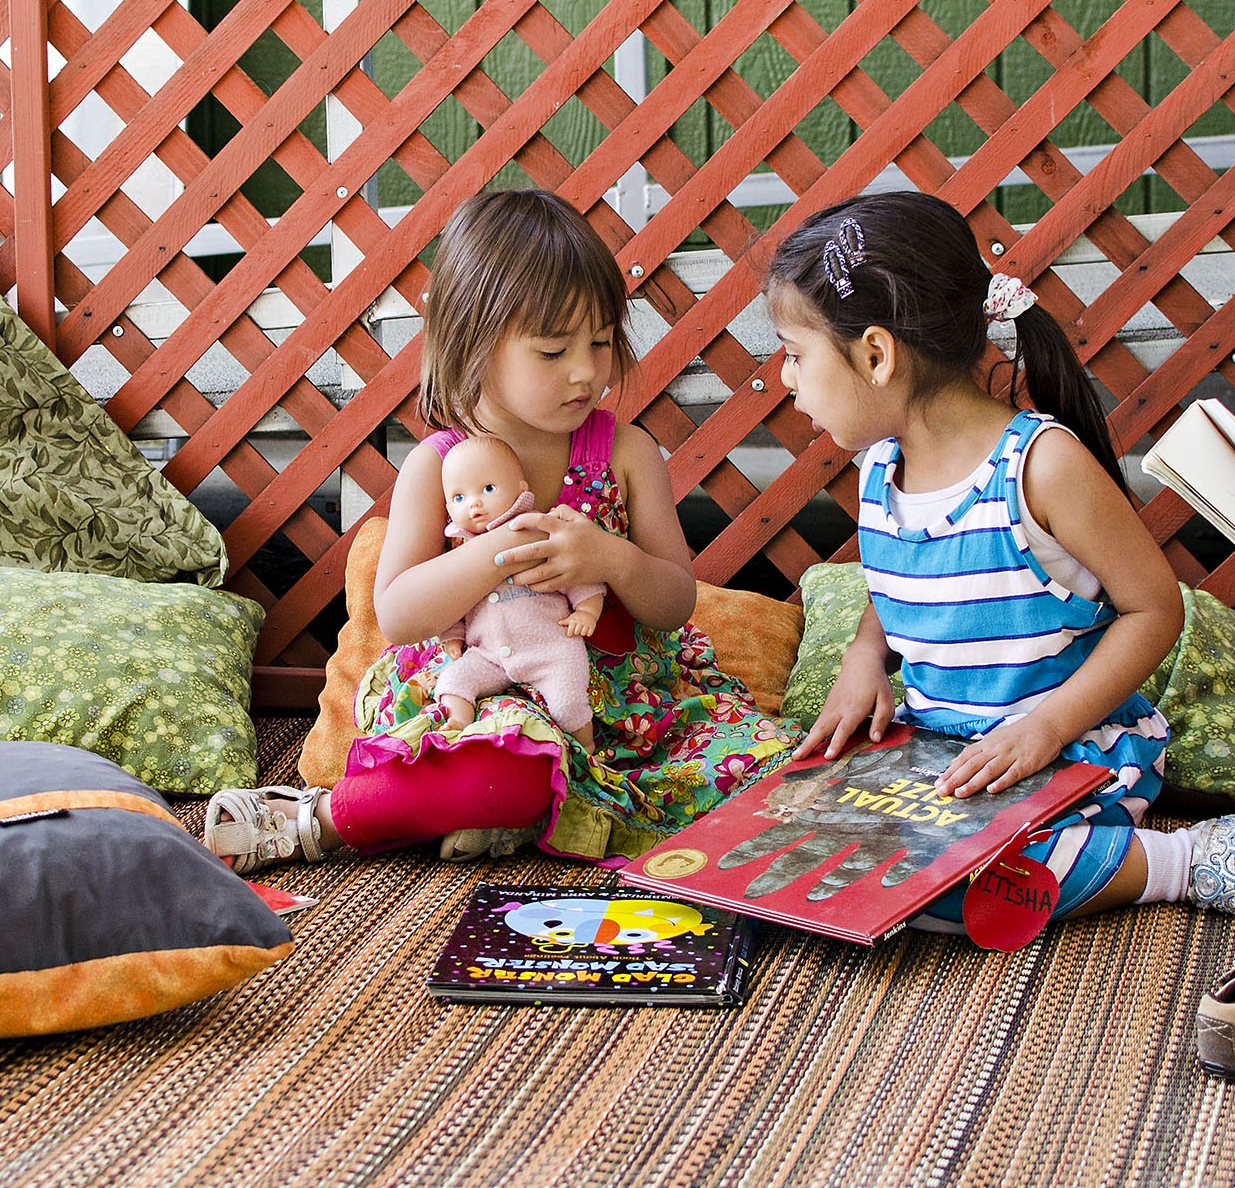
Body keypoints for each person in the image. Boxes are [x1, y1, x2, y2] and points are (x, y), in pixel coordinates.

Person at [766, 191, 1235, 938]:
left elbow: (1156, 608)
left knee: (965, 879)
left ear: (875, 354)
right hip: (941, 760)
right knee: (798, 828)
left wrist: (1046, 728)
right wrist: (866, 654)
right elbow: (899, 584)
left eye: (796, 355)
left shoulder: (1039, 467)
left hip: (1067, 756)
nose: (785, 379)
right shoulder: (877, 470)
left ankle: (1187, 858)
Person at [204, 188, 794, 872]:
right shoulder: (439, 465)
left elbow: (674, 601)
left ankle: (511, 817)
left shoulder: (623, 452)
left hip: (622, 717)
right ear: (475, 348)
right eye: (553, 351)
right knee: (507, 766)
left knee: (773, 770)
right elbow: (397, 613)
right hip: (476, 700)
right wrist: (492, 552)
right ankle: (319, 820)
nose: (586, 370)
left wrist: (610, 558)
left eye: (600, 342)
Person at [432, 433, 604, 750]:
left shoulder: (536, 534)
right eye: (459, 498)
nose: (474, 504)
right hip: (489, 655)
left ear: (521, 489)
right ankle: (458, 723)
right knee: (453, 681)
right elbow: (451, 602)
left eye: (487, 489)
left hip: (552, 649)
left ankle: (587, 749)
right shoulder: (458, 555)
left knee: (567, 705)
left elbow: (579, 576)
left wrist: (587, 610)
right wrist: (453, 636)